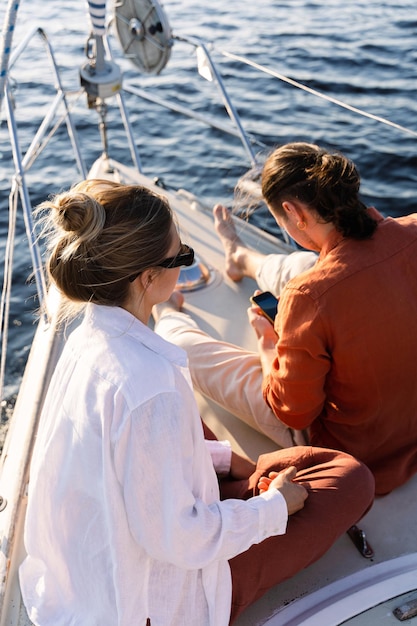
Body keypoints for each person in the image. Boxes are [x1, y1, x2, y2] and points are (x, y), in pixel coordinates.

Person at [19, 179, 374, 626]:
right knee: (349, 478)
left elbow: (127, 459)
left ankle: (247, 483)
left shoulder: (87, 336)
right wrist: (273, 509)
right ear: (148, 277)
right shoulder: (149, 388)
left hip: (94, 567)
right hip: (165, 599)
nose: (188, 260)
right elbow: (181, 541)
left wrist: (225, 461)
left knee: (273, 459)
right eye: (182, 256)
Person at [154, 142, 417, 496]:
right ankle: (242, 258)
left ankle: (166, 311)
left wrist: (269, 345)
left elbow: (293, 412)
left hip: (357, 450)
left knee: (184, 344)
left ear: (294, 213)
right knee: (308, 263)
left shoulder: (307, 298)